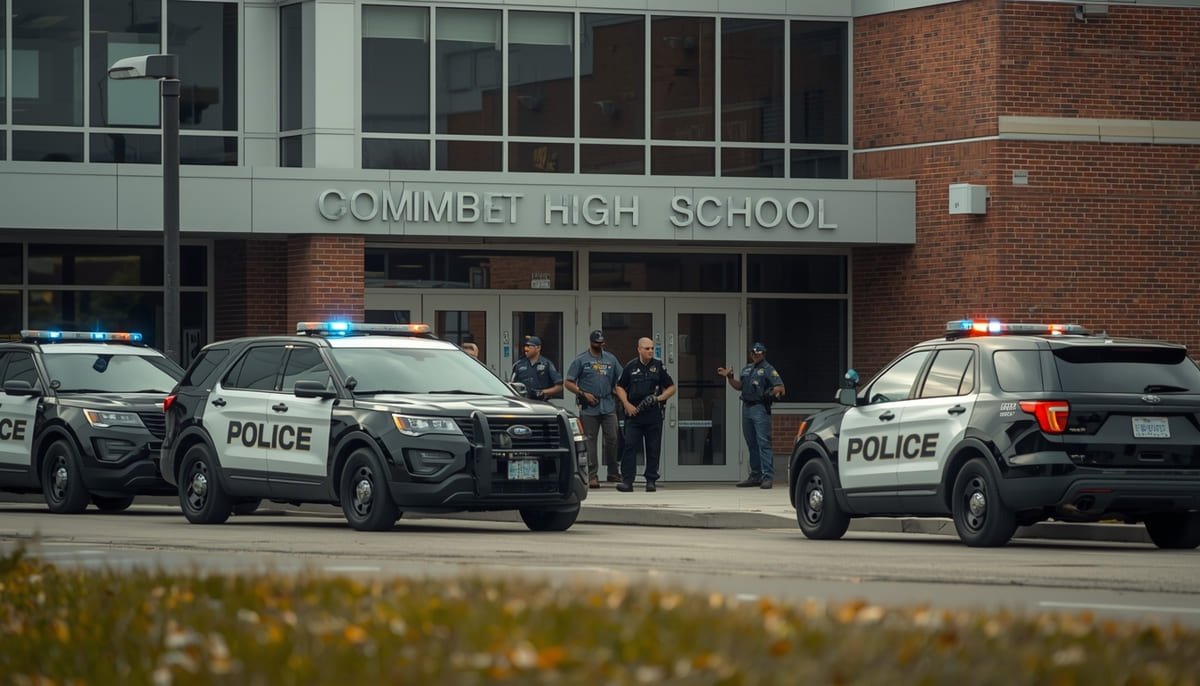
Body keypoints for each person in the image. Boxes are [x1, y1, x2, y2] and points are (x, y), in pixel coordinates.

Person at [717, 342, 785, 489]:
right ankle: (755, 475)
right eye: (753, 353)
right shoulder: (747, 369)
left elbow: (780, 387)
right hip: (746, 407)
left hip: (760, 408)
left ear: (763, 354)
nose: (755, 356)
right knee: (751, 443)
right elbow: (739, 386)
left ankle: (767, 477)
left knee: (763, 443)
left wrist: (770, 393)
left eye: (758, 353)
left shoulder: (768, 369)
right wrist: (729, 377)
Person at [614, 337, 676, 492]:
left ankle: (651, 481)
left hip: (652, 413)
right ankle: (627, 481)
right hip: (634, 414)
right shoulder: (631, 366)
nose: (650, 351)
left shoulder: (658, 366)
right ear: (639, 349)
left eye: (652, 348)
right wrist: (626, 404)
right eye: (647, 348)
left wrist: (657, 398)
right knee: (629, 447)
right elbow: (619, 387)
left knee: (653, 448)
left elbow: (671, 388)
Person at [564, 329, 620, 489]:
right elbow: (568, 382)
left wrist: (618, 391)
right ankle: (592, 475)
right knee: (590, 441)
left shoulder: (611, 359)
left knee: (613, 437)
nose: (599, 345)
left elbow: (620, 379)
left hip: (608, 404)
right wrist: (583, 393)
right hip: (589, 407)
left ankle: (613, 471)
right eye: (596, 343)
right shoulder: (581, 360)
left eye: (601, 342)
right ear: (591, 342)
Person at [510, 335, 562, 400]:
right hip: (523, 402)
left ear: (538, 348)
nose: (526, 349)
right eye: (525, 346)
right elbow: (511, 385)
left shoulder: (547, 364)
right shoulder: (518, 365)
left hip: (541, 403)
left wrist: (542, 392)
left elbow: (559, 387)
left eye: (529, 346)